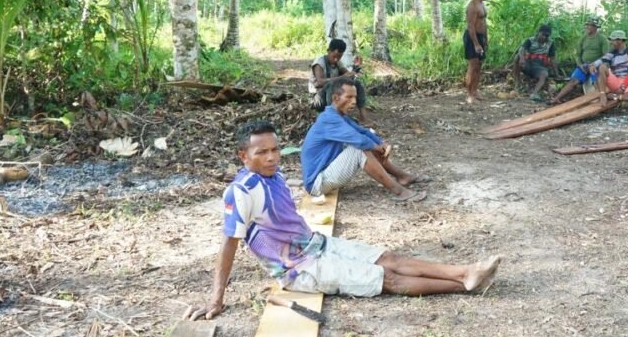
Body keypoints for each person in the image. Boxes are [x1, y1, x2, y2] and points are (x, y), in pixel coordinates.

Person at [184, 120, 502, 320]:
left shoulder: (274, 174)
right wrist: (216, 299)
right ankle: (462, 286)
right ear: (243, 156)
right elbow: (228, 244)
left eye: (275, 150)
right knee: (385, 278)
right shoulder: (240, 192)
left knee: (388, 258)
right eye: (261, 153)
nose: (271, 157)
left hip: (316, 245)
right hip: (299, 270)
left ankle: (465, 272)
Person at [303, 79, 428, 202]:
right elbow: (358, 140)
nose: (354, 102)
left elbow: (362, 131)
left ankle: (403, 177)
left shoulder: (339, 116)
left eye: (355, 97)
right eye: (349, 97)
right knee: (360, 150)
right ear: (336, 98)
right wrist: (376, 147)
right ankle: (399, 191)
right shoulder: (328, 119)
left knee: (369, 145)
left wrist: (380, 143)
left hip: (326, 174)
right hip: (316, 185)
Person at [548, 18, 608, 104]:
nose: (587, 27)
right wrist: (580, 65)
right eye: (587, 25)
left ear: (595, 27)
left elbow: (606, 55)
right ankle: (557, 98)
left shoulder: (602, 39)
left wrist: (595, 64)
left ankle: (600, 98)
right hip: (584, 65)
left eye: (589, 25)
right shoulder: (583, 38)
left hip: (596, 65)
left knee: (596, 82)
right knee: (573, 81)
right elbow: (578, 55)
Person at [311, 38, 370, 124]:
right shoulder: (319, 63)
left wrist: (355, 68)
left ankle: (363, 118)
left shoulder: (337, 62)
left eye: (339, 57)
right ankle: (333, 119)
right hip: (317, 100)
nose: (336, 59)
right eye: (334, 56)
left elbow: (348, 78)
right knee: (332, 85)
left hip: (332, 95)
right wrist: (341, 77)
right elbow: (319, 83)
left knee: (356, 84)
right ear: (328, 51)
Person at [597, 30, 628, 106]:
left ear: (619, 40)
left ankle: (615, 97)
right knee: (602, 67)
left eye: (613, 40)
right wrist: (593, 65)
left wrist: (623, 87)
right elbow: (602, 60)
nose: (611, 42)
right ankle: (602, 95)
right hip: (615, 79)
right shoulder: (612, 52)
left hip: (627, 81)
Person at [512, 24, 556, 102]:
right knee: (516, 58)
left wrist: (556, 72)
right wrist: (522, 58)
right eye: (543, 35)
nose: (544, 37)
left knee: (544, 75)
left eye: (547, 36)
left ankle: (535, 93)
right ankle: (517, 83)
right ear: (539, 32)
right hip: (528, 63)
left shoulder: (550, 43)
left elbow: (552, 58)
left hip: (540, 66)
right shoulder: (530, 40)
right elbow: (522, 50)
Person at [464, 0, 489, 104]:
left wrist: (485, 40)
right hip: (472, 38)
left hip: (481, 37)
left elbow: (484, 23)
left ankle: (475, 91)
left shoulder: (482, 4)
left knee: (479, 66)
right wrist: (476, 43)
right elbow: (470, 26)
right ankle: (469, 94)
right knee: (472, 65)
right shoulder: (472, 6)